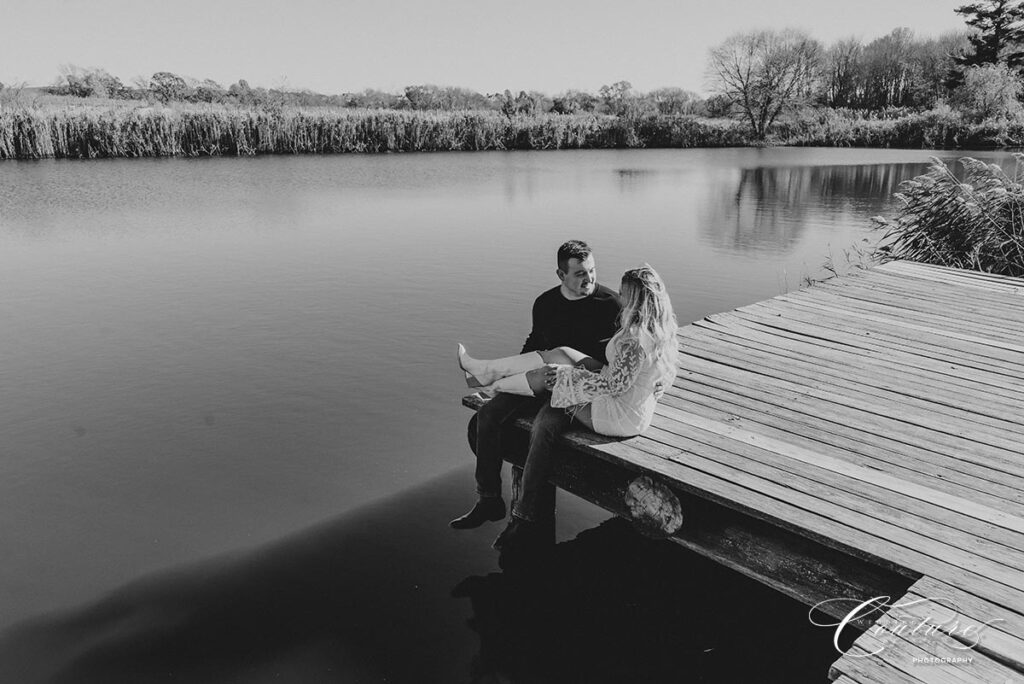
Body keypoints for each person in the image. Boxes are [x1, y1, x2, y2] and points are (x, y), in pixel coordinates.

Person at [458, 264, 679, 554]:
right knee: (559, 355)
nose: (619, 298)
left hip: (615, 411)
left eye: (625, 294)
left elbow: (616, 385)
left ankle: (490, 382)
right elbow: (656, 374)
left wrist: (567, 377)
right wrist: (652, 386)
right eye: (580, 273)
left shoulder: (630, 331)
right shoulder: (658, 330)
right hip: (625, 401)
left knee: (546, 397)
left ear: (636, 299)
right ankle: (488, 377)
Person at [448, 240, 621, 533]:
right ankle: (488, 499)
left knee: (542, 427)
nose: (589, 279)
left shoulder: (611, 304)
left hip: (579, 389)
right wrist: (512, 381)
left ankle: (525, 516)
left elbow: (612, 364)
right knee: (488, 414)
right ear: (560, 275)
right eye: (580, 273)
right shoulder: (545, 303)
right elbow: (534, 345)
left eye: (592, 270)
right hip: (541, 378)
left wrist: (571, 373)